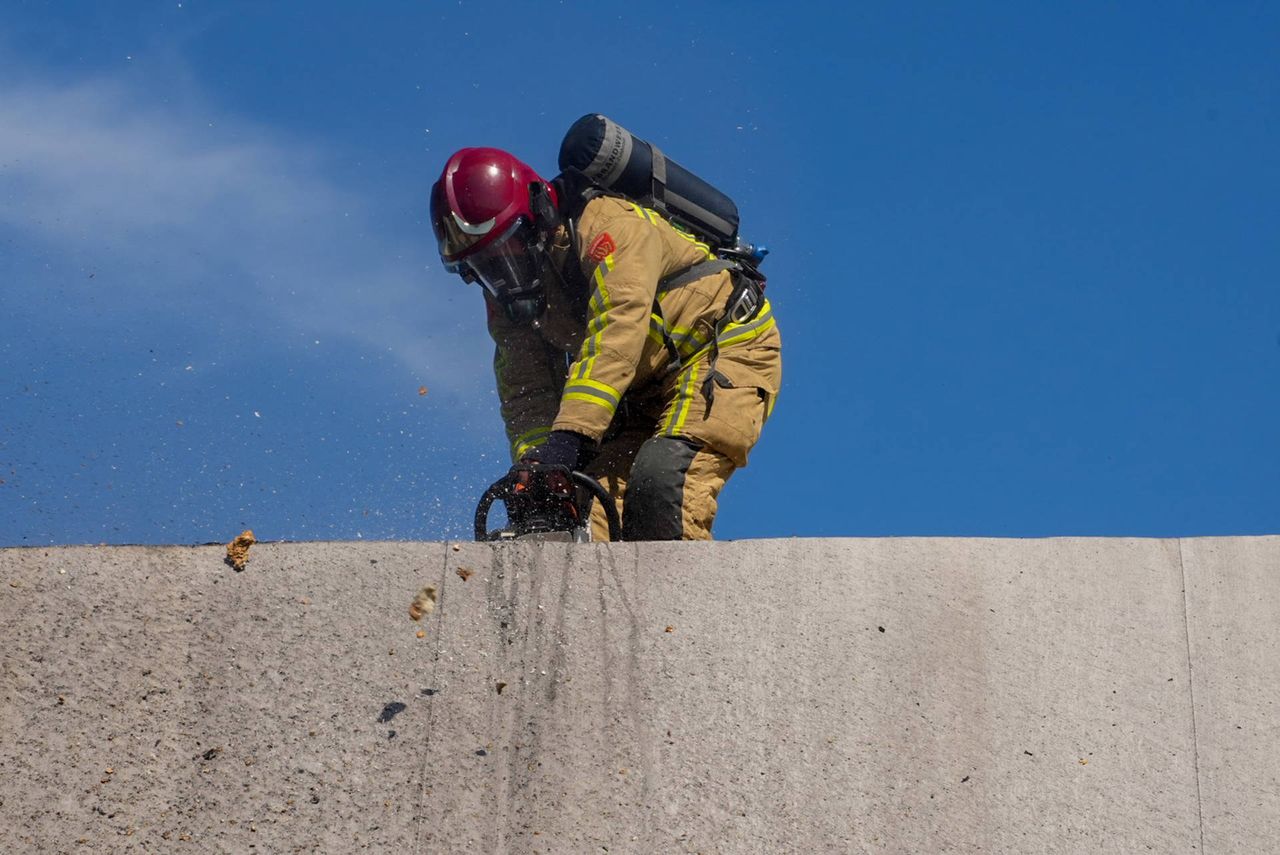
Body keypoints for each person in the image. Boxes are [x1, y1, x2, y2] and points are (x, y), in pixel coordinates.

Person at [430, 146, 781, 540]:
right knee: (586, 517)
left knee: (663, 485)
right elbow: (526, 391)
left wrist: (566, 442)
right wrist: (536, 463)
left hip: (718, 350)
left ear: (538, 214)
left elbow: (616, 335)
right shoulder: (505, 296)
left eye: (506, 250)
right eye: (481, 265)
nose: (499, 274)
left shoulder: (610, 228)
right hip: (634, 393)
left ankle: (680, 600)